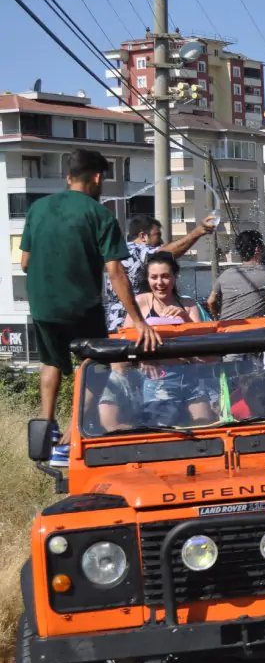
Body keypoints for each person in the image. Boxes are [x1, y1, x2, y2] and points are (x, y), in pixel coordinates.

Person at [19, 148, 160, 457]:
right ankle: (72, 432)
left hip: (43, 306)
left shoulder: (38, 208)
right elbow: (115, 271)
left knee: (51, 362)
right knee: (98, 363)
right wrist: (138, 321)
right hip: (80, 304)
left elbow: (25, 262)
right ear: (96, 178)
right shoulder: (99, 214)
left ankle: (46, 429)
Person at [104, 214, 217, 332]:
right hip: (130, 320)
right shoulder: (135, 250)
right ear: (143, 236)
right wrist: (198, 232)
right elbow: (164, 254)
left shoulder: (121, 252)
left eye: (165, 276)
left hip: (115, 320)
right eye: (157, 236)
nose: (161, 241)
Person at [123, 252, 202, 327]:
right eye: (154, 277)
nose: (160, 282)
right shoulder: (140, 302)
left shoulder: (189, 305)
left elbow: (200, 337)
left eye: (165, 276)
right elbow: (126, 335)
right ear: (147, 279)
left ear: (175, 276)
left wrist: (185, 317)